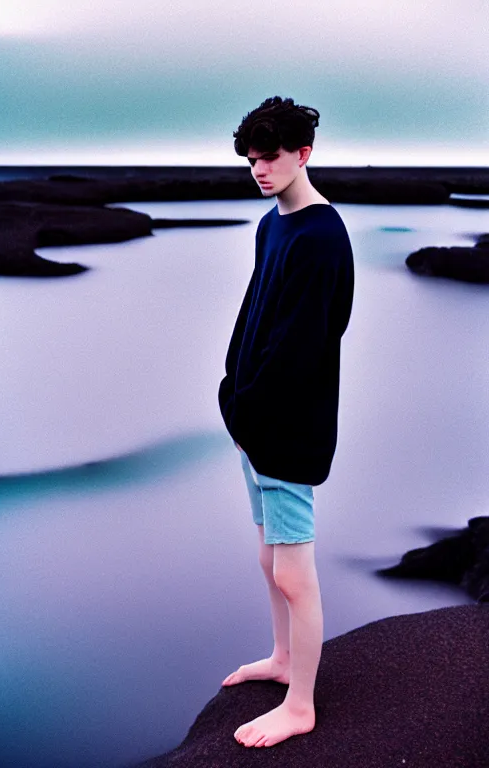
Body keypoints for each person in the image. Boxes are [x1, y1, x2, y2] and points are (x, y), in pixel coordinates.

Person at [217, 96, 355, 748]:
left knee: (295, 571)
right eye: (251, 160)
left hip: (287, 432)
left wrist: (256, 412)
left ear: (304, 153)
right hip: (252, 421)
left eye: (270, 157)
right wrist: (231, 397)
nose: (260, 171)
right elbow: (253, 318)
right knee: (269, 559)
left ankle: (300, 704)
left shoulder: (324, 237)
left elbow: (308, 343)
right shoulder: (272, 226)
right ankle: (281, 659)